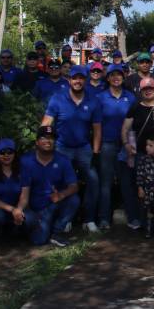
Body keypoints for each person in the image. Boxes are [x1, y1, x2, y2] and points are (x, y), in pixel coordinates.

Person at [42, 65, 102, 232]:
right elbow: (46, 123)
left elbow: (97, 129)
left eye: (81, 78)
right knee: (63, 184)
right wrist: (44, 146)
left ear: (85, 80)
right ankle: (66, 219)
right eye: (75, 78)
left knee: (93, 181)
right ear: (69, 80)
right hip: (62, 148)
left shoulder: (93, 101)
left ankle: (89, 219)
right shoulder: (57, 98)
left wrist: (96, 152)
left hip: (84, 148)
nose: (78, 81)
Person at [121, 76, 154, 234]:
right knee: (142, 189)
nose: (148, 91)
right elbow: (125, 129)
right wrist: (126, 144)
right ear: (141, 91)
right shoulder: (135, 107)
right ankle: (145, 223)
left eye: (151, 88)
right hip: (142, 155)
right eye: (145, 89)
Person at [16, 125, 80, 247]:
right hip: (35, 208)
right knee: (39, 240)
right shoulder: (26, 161)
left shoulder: (63, 160)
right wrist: (19, 209)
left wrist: (62, 194)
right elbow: (24, 191)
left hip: (54, 203)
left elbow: (74, 186)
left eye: (51, 138)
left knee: (74, 199)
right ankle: (40, 226)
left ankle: (57, 232)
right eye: (44, 138)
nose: (48, 141)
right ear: (37, 142)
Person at [96, 65, 135, 231]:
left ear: (123, 77)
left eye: (119, 75)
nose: (116, 78)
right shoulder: (100, 97)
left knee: (127, 182)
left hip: (125, 144)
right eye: (113, 75)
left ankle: (133, 217)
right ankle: (104, 218)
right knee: (106, 183)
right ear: (108, 78)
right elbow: (96, 124)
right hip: (107, 143)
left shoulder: (131, 97)